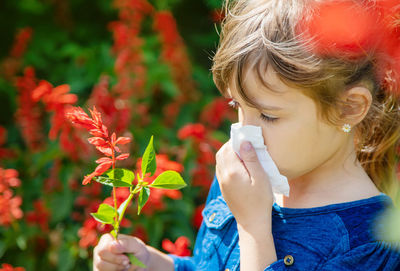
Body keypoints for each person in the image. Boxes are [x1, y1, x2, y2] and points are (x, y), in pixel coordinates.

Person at [93, 0, 400, 270]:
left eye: (269, 115)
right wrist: (153, 264)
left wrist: (253, 227)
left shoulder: (368, 243)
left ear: (349, 108)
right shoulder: (244, 181)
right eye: (237, 105)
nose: (246, 133)